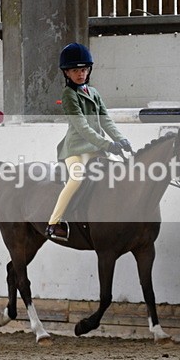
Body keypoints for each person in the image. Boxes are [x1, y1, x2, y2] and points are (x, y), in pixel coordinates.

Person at [46, 42, 132, 241]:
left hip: (96, 148)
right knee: (77, 178)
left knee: (116, 172)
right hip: (75, 149)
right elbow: (82, 128)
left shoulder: (94, 93)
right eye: (75, 70)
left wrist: (121, 140)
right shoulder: (69, 95)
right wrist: (108, 145)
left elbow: (106, 120)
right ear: (66, 73)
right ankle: (54, 223)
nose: (80, 74)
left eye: (83, 69)